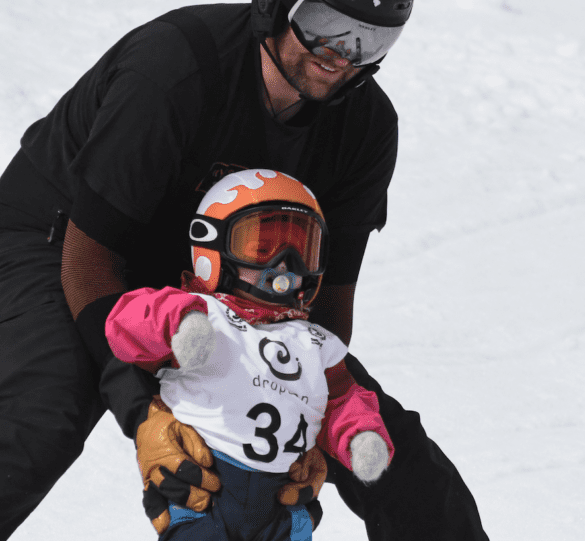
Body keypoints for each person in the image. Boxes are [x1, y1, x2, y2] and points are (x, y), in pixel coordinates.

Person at [0, 0, 490, 540]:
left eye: (371, 37)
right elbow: (88, 256)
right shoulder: (177, 69)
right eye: (325, 24)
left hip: (225, 287)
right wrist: (142, 412)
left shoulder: (367, 128)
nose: (341, 55)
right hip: (61, 249)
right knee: (38, 425)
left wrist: (307, 418)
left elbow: (323, 307)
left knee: (398, 458)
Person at [107, 169, 395, 539]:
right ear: (215, 247)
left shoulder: (315, 342)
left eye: (301, 249)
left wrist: (362, 436)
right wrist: (180, 324)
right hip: (205, 487)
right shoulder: (203, 313)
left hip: (280, 499)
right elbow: (125, 323)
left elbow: (343, 398)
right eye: (262, 247)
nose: (284, 265)